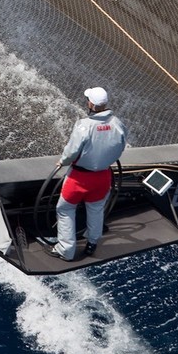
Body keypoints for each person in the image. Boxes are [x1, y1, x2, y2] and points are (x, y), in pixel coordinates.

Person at [51, 86, 127, 261]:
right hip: (103, 177)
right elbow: (121, 147)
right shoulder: (118, 124)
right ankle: (92, 243)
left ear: (91, 104)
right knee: (95, 209)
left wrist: (62, 161)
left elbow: (71, 152)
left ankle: (66, 250)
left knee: (64, 209)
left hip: (79, 178)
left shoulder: (84, 126)